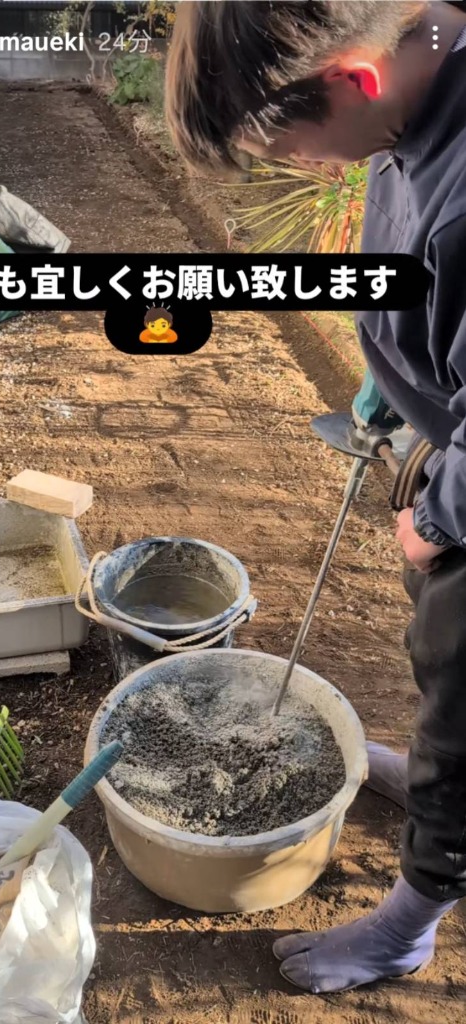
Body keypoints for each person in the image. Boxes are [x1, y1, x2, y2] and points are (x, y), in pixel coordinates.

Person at [166, 0, 466, 995]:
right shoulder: (408, 98)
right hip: (448, 441)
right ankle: (430, 767)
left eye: (292, 146)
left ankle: (406, 925)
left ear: (352, 78)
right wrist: (392, 368)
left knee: (463, 696)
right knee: (436, 658)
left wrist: (437, 518)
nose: (302, 167)